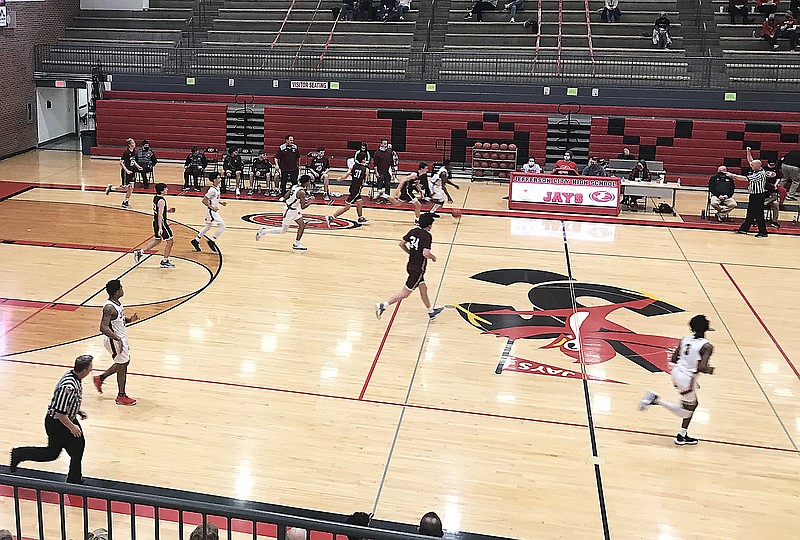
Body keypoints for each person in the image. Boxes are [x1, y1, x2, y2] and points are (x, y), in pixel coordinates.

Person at [10, 355, 94, 483]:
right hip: (58, 423)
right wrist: (72, 427)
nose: (91, 370)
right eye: (90, 368)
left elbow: (65, 404)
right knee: (53, 453)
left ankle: (74, 479)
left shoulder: (73, 376)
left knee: (75, 448)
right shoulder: (68, 386)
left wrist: (77, 410)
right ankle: (19, 454)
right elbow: (60, 413)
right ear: (84, 370)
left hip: (65, 418)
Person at [639, 314, 716, 446]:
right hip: (687, 378)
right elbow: (703, 367)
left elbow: (674, 359)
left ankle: (682, 435)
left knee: (693, 405)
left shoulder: (684, 339)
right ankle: (656, 400)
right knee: (686, 412)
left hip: (676, 373)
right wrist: (710, 370)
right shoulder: (707, 347)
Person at [375, 212, 445, 320]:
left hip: (410, 265)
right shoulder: (427, 236)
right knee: (405, 293)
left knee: (423, 289)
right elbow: (425, 253)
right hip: (418, 269)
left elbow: (401, 243)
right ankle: (383, 305)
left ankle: (431, 312)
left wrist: (410, 252)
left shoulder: (413, 231)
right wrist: (433, 257)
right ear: (429, 225)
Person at [93, 279, 138, 406]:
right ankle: (121, 396)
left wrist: (129, 320)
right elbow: (103, 327)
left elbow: (118, 321)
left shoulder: (117, 303)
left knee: (125, 362)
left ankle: (100, 378)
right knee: (122, 365)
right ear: (117, 291)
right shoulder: (109, 307)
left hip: (120, 337)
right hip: (114, 339)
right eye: (121, 287)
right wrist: (117, 339)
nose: (123, 289)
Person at [257, 174, 315, 250]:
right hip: (289, 211)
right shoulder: (302, 192)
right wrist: (310, 201)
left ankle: (297, 243)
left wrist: (294, 199)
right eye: (309, 182)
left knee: (302, 225)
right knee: (283, 230)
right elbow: (303, 207)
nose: (309, 183)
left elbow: (285, 196)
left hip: (293, 209)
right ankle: (264, 231)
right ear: (306, 182)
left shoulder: (295, 186)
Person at [132, 183, 177, 267]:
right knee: (170, 241)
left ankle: (140, 252)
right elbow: (160, 215)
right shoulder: (162, 201)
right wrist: (160, 228)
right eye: (166, 188)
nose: (167, 190)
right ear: (162, 190)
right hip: (161, 223)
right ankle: (165, 261)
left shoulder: (156, 198)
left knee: (157, 240)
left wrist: (168, 210)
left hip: (155, 222)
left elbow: (159, 210)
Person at [730, 147, 769, 237]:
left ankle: (763, 232)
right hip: (753, 195)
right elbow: (750, 161)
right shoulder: (757, 169)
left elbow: (744, 179)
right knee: (750, 213)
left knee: (759, 214)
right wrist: (748, 152)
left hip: (759, 196)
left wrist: (732, 175)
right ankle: (744, 229)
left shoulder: (760, 174)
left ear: (757, 166)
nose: (750, 165)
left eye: (752, 165)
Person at [326, 153, 370, 226]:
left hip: (352, 186)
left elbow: (347, 174)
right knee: (346, 207)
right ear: (363, 160)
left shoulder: (354, 166)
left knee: (359, 202)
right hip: (357, 189)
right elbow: (365, 181)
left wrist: (341, 178)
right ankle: (331, 217)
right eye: (365, 159)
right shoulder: (366, 169)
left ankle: (360, 218)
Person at [192, 172, 227, 252]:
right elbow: (204, 200)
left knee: (207, 227)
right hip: (211, 211)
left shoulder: (217, 188)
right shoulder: (211, 190)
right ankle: (212, 240)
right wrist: (212, 207)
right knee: (222, 225)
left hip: (212, 210)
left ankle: (196, 240)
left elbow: (214, 199)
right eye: (218, 178)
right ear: (214, 180)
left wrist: (220, 202)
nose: (220, 179)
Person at [104, 138, 139, 209]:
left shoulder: (134, 151)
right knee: (125, 188)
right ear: (129, 145)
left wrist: (138, 166)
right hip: (126, 172)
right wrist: (126, 170)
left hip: (132, 171)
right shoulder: (126, 152)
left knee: (131, 187)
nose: (134, 144)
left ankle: (126, 201)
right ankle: (111, 188)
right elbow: (121, 162)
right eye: (133, 143)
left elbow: (133, 160)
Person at [275, 135, 301, 200]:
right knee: (283, 182)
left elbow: (298, 157)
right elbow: (276, 157)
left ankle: (294, 196)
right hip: (284, 168)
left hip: (293, 168)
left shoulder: (295, 147)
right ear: (286, 140)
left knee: (294, 182)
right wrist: (277, 165)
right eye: (291, 140)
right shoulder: (282, 148)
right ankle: (283, 196)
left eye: (292, 140)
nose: (292, 141)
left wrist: (299, 165)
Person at [763, 161, 783, 228]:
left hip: (769, 199)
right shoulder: (763, 170)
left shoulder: (773, 186)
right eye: (770, 165)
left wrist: (768, 201)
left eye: (773, 165)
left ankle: (775, 221)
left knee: (776, 203)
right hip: (760, 199)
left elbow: (774, 196)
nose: (772, 166)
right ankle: (753, 219)